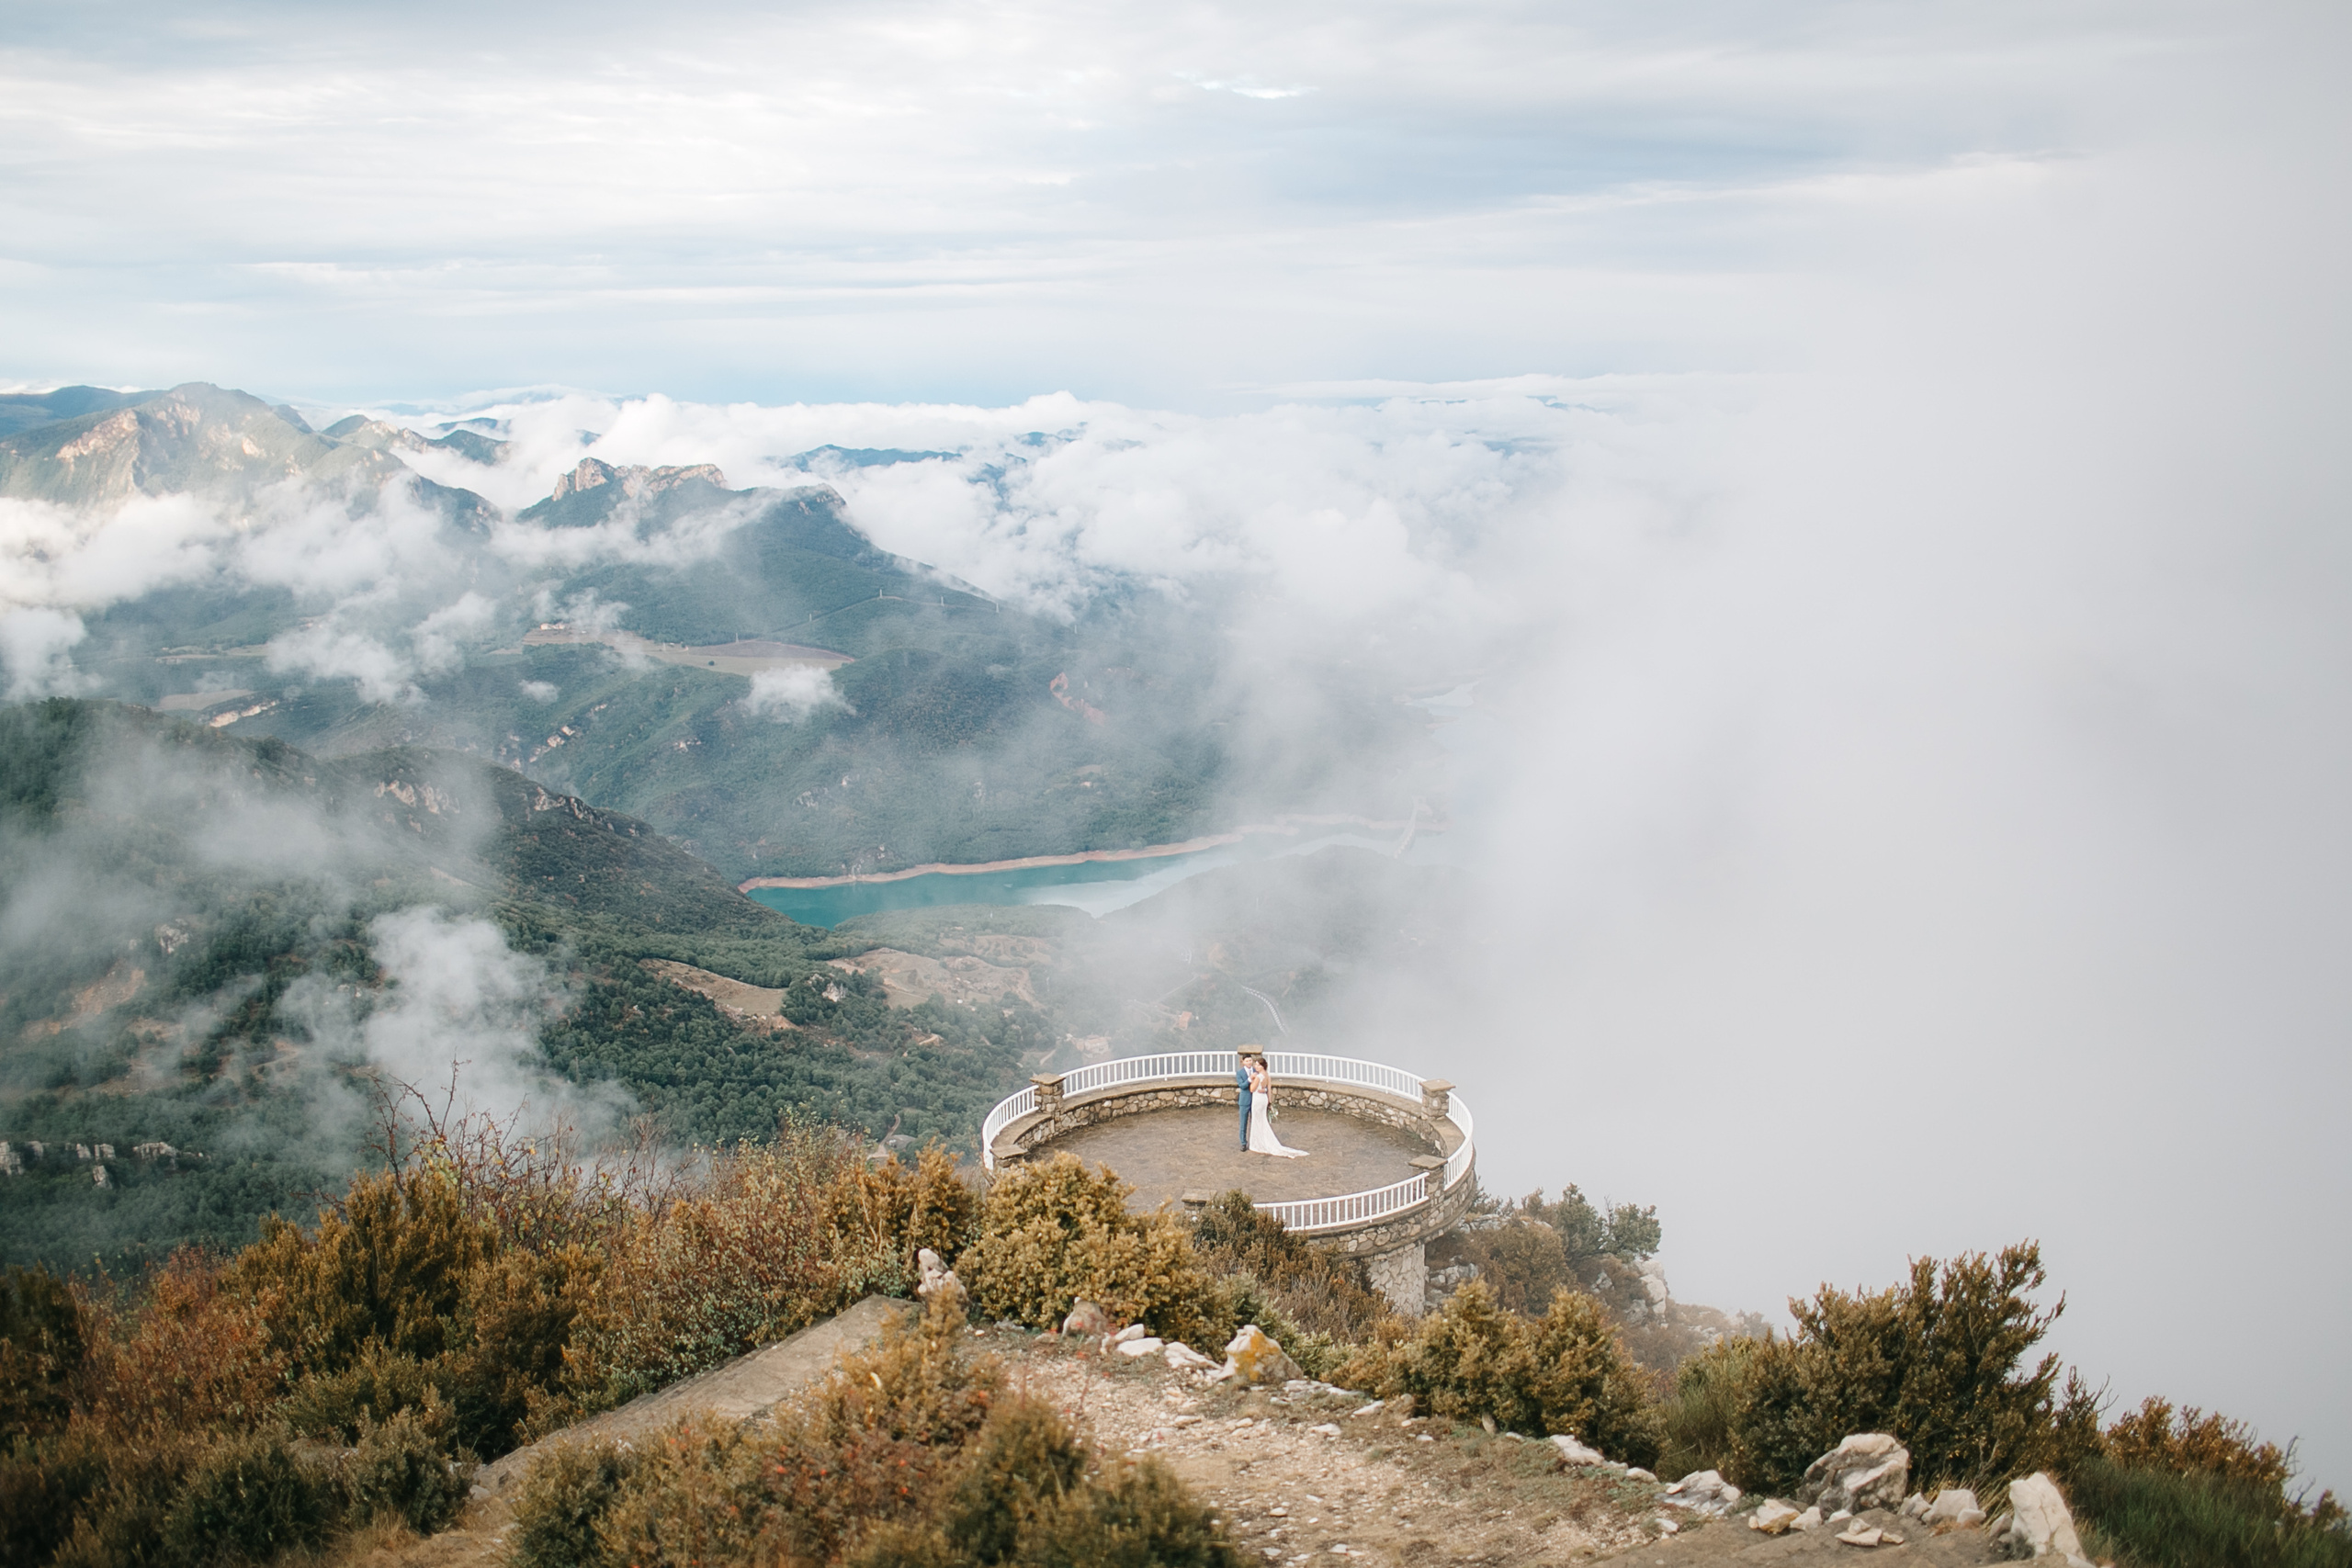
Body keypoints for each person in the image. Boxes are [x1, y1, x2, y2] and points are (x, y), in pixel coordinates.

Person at [1245, 1053, 1308, 1158]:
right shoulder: (1267, 1076)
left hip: (1257, 1100)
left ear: (1262, 1066)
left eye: (1258, 1065)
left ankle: (1258, 1143)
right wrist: (1269, 1101)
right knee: (1263, 1120)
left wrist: (1251, 1079)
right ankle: (1263, 1140)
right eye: (1255, 1065)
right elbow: (1269, 1089)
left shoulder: (1258, 1077)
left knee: (1257, 1120)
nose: (1256, 1066)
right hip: (1264, 1099)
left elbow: (1251, 1089)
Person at [1234, 1051, 1254, 1151]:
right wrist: (1249, 1080)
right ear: (1243, 1062)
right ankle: (1243, 1143)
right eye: (1247, 1061)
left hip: (1255, 1100)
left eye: (1250, 1060)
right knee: (1243, 1123)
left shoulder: (1256, 1070)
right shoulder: (1240, 1073)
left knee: (1255, 1121)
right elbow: (1241, 1085)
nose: (1249, 1062)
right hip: (1244, 1100)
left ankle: (1255, 1141)